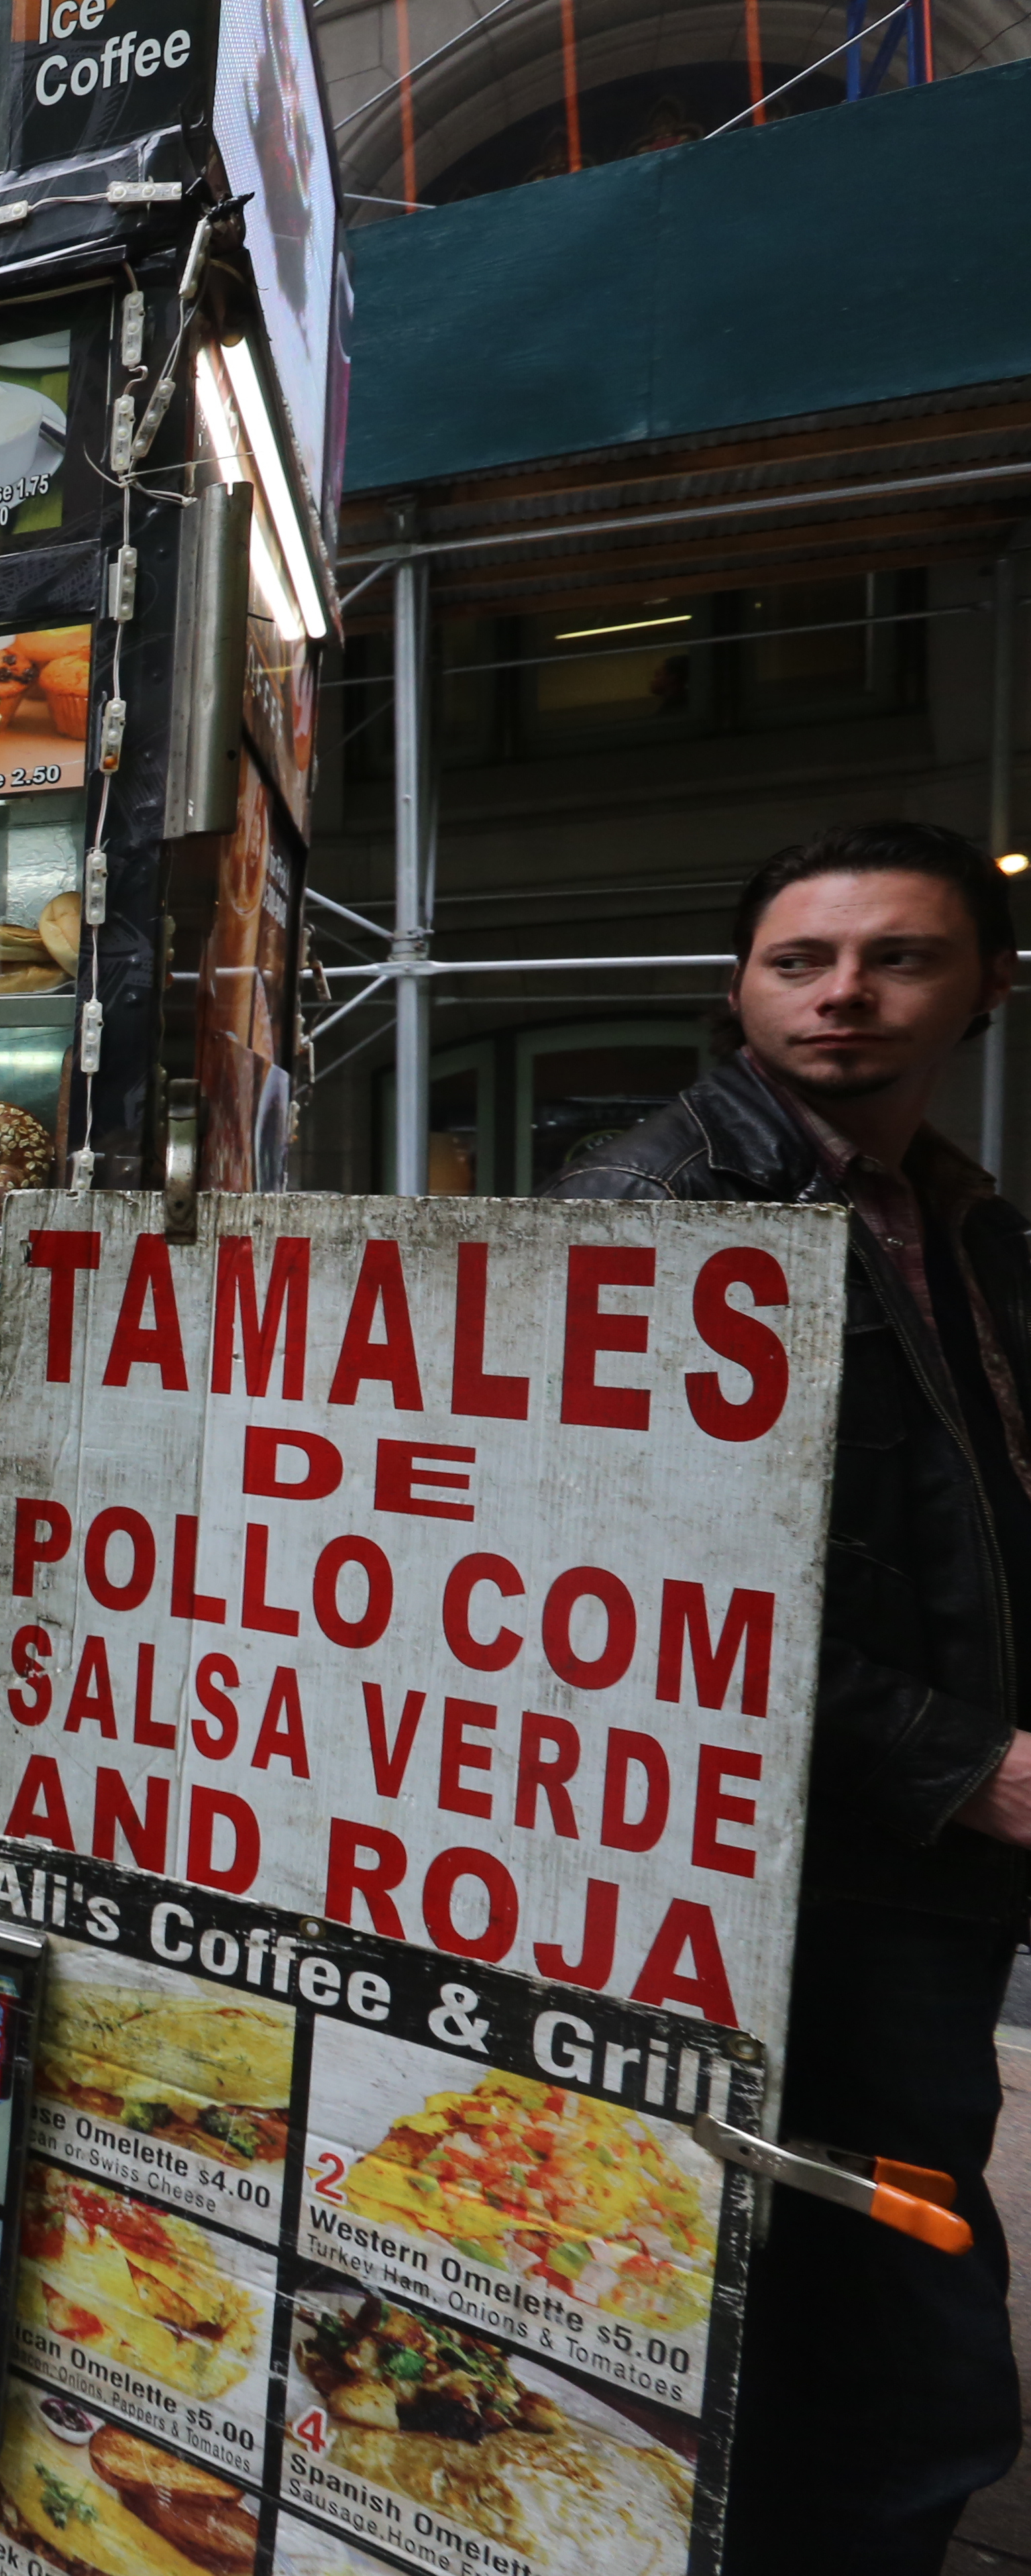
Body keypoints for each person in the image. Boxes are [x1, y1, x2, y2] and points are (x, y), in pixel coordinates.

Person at [556, 818, 1030, 2575]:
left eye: (899, 957)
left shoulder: (959, 1222)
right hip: (783, 1842)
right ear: (737, 993)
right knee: (885, 2275)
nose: (844, 993)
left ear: (988, 985)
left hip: (911, 1835)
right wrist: (962, 1764)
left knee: (858, 2230)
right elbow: (623, 1576)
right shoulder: (658, 1213)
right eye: (801, 961)